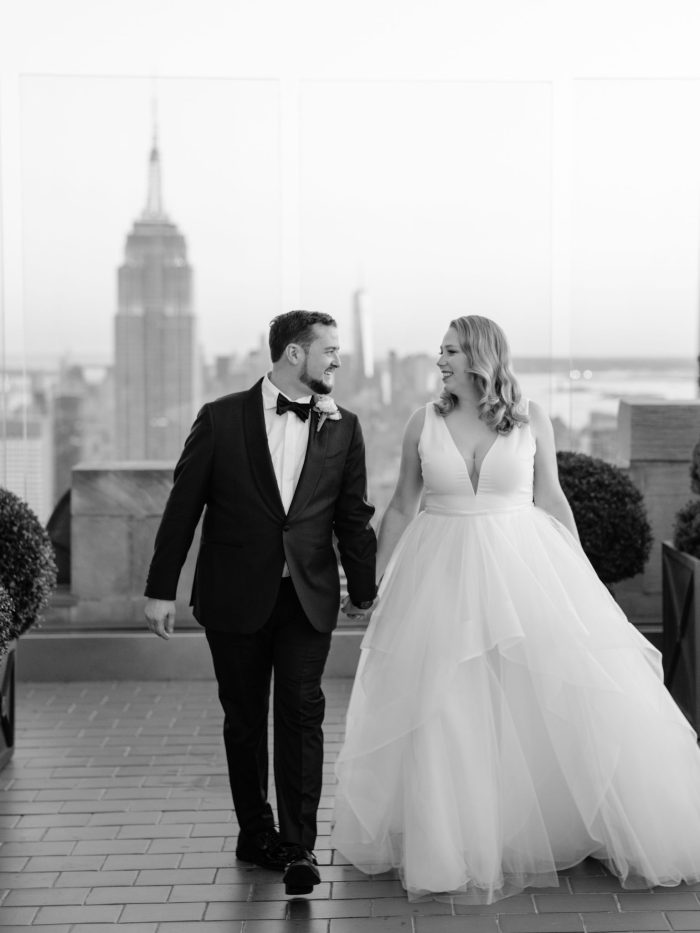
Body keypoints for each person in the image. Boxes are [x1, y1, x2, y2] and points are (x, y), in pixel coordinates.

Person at [331, 314, 700, 904]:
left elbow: (551, 496)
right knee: (447, 700)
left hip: (521, 567)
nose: (440, 360)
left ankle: (543, 825)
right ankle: (452, 839)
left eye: (450, 351)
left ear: (480, 355)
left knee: (533, 696)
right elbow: (402, 505)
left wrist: (581, 577)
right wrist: (370, 582)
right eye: (440, 351)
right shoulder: (421, 421)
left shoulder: (531, 419)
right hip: (440, 575)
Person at [144, 310, 377, 896]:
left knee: (301, 712)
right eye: (329, 350)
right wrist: (159, 589)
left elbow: (353, 516)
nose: (337, 361)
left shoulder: (344, 426)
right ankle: (255, 831)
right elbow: (183, 508)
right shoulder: (220, 419)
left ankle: (300, 847)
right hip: (233, 594)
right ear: (295, 355)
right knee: (245, 719)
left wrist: (365, 588)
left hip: (308, 595)